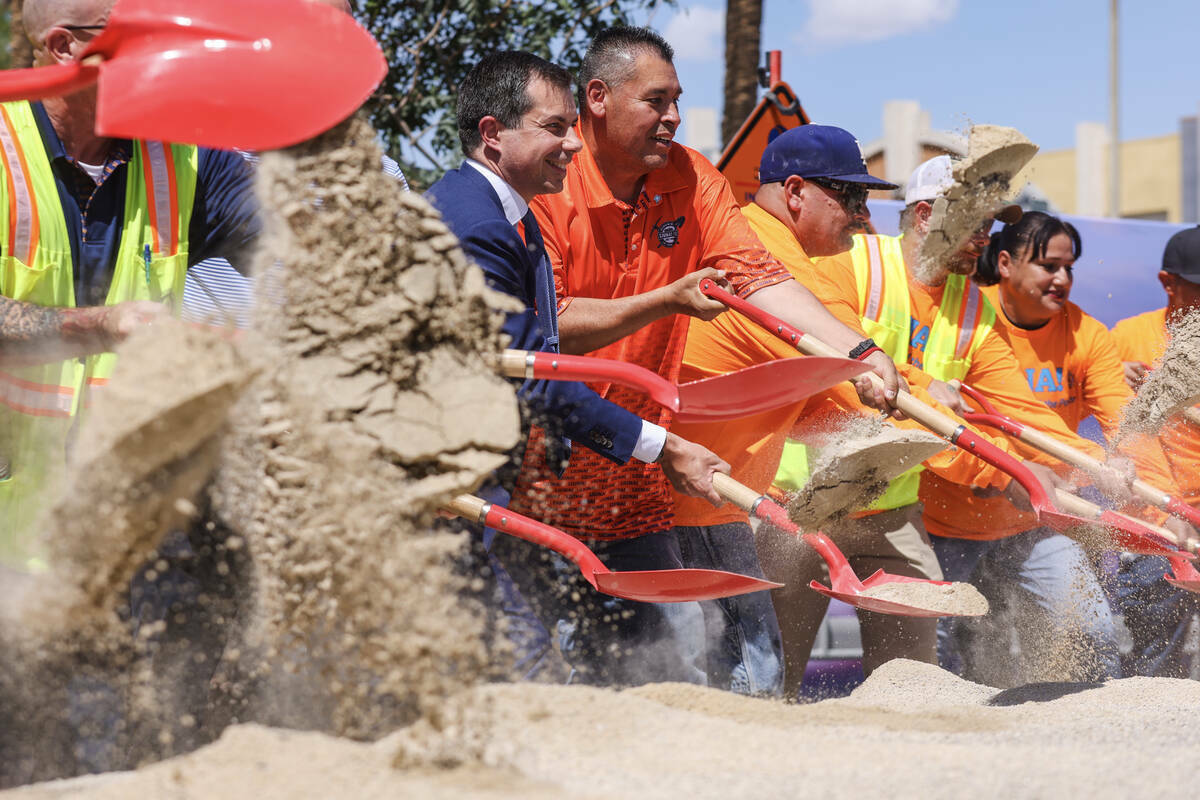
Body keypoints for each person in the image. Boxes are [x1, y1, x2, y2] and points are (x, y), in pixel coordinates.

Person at [670, 124, 1035, 696]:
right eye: (851, 198)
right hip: (762, 503)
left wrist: (1028, 467)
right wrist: (989, 462)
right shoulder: (813, 263)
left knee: (905, 682)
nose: (862, 214)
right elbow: (848, 386)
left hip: (864, 505)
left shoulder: (972, 308)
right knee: (754, 678)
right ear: (795, 194)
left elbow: (862, 386)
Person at [426, 50, 729, 686]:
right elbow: (529, 372)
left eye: (571, 126)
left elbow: (541, 353)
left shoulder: (515, 215)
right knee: (521, 673)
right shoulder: (473, 225)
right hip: (452, 496)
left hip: (502, 486)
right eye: (555, 128)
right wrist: (661, 446)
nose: (572, 144)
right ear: (492, 135)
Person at [0, 0, 259, 569]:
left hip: (115, 537)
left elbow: (291, 247)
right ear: (66, 48)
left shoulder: (186, 154)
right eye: (139, 36)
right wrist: (100, 325)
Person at [954, 211, 1194, 684]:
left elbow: (1130, 428)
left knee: (1090, 634)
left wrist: (1162, 511)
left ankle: (1081, 741)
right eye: (1048, 266)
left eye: (1069, 267)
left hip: (1043, 518)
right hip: (952, 519)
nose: (1062, 279)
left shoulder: (1087, 334)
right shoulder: (967, 318)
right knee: (961, 652)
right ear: (1005, 264)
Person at [1111, 225, 1200, 678]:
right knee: (1155, 660)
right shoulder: (1129, 339)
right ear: (1169, 282)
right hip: (1154, 526)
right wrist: (1167, 515)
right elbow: (1122, 437)